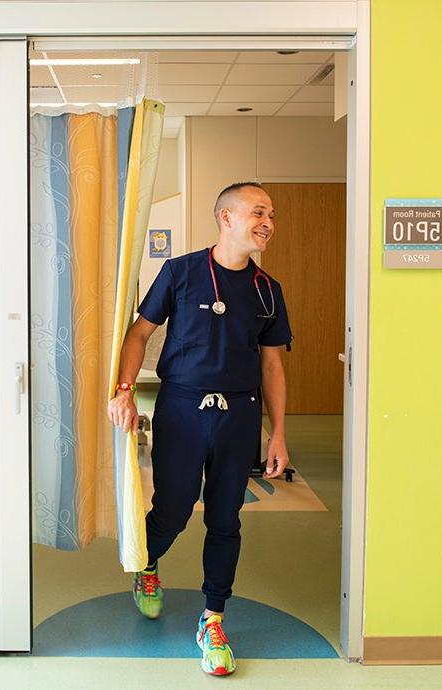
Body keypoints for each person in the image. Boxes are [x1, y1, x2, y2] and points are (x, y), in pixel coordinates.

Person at [107, 182, 293, 676]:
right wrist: (124, 388)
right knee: (172, 509)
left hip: (239, 415)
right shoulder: (181, 272)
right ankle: (148, 566)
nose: (268, 221)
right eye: (258, 212)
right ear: (226, 218)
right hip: (182, 410)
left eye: (271, 214)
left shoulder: (267, 291)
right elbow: (139, 332)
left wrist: (277, 434)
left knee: (226, 518)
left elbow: (272, 366)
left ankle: (212, 618)